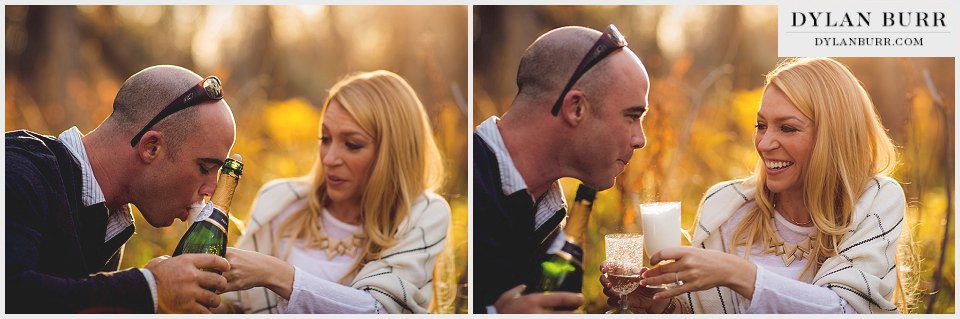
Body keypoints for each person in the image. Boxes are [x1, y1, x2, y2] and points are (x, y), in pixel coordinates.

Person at [602, 57, 914, 314]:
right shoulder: (725, 205)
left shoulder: (874, 201)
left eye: (788, 128)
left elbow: (844, 309)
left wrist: (737, 273)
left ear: (834, 137)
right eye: (761, 125)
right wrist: (663, 306)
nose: (764, 144)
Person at [6, 65, 237, 313]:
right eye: (204, 167)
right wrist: (151, 289)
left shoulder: (109, 220)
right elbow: (11, 292)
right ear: (151, 147)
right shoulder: (16, 171)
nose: (211, 190)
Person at [217, 70, 450, 314]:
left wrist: (278, 275)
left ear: (393, 153)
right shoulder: (279, 200)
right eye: (325, 138)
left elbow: (379, 310)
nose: (329, 158)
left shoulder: (423, 215)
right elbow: (237, 304)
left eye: (352, 144)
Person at [474, 24, 650, 314]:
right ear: (576, 108)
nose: (640, 139)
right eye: (632, 116)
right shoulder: (472, 188)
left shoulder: (551, 217)